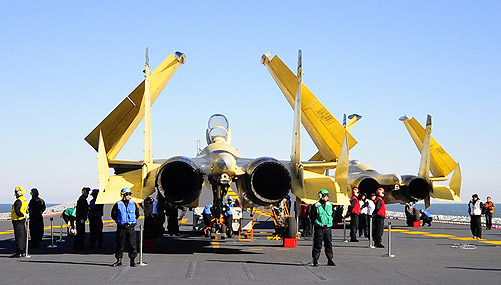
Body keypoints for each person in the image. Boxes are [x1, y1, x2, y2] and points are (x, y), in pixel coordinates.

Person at [111, 187, 140, 267]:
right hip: (121, 227)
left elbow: (137, 214)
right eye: (126, 194)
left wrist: (131, 222)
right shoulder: (118, 204)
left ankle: (132, 260)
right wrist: (120, 222)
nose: (128, 196)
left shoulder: (133, 204)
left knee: (132, 244)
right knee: (120, 244)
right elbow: (113, 214)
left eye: (129, 194)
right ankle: (119, 260)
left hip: (130, 227)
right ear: (123, 195)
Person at [309, 189, 336, 267]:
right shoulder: (316, 205)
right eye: (324, 196)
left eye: (327, 196)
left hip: (328, 228)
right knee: (317, 244)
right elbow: (312, 216)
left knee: (329, 244)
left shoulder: (330, 205)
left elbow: (333, 215)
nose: (326, 198)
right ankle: (315, 259)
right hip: (319, 228)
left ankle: (330, 259)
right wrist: (317, 223)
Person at [10, 186, 28, 258]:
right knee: (23, 235)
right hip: (22, 219)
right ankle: (23, 250)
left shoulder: (18, 201)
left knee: (19, 236)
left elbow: (17, 211)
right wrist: (26, 215)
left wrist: (23, 215)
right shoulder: (24, 200)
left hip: (17, 219)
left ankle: (19, 252)